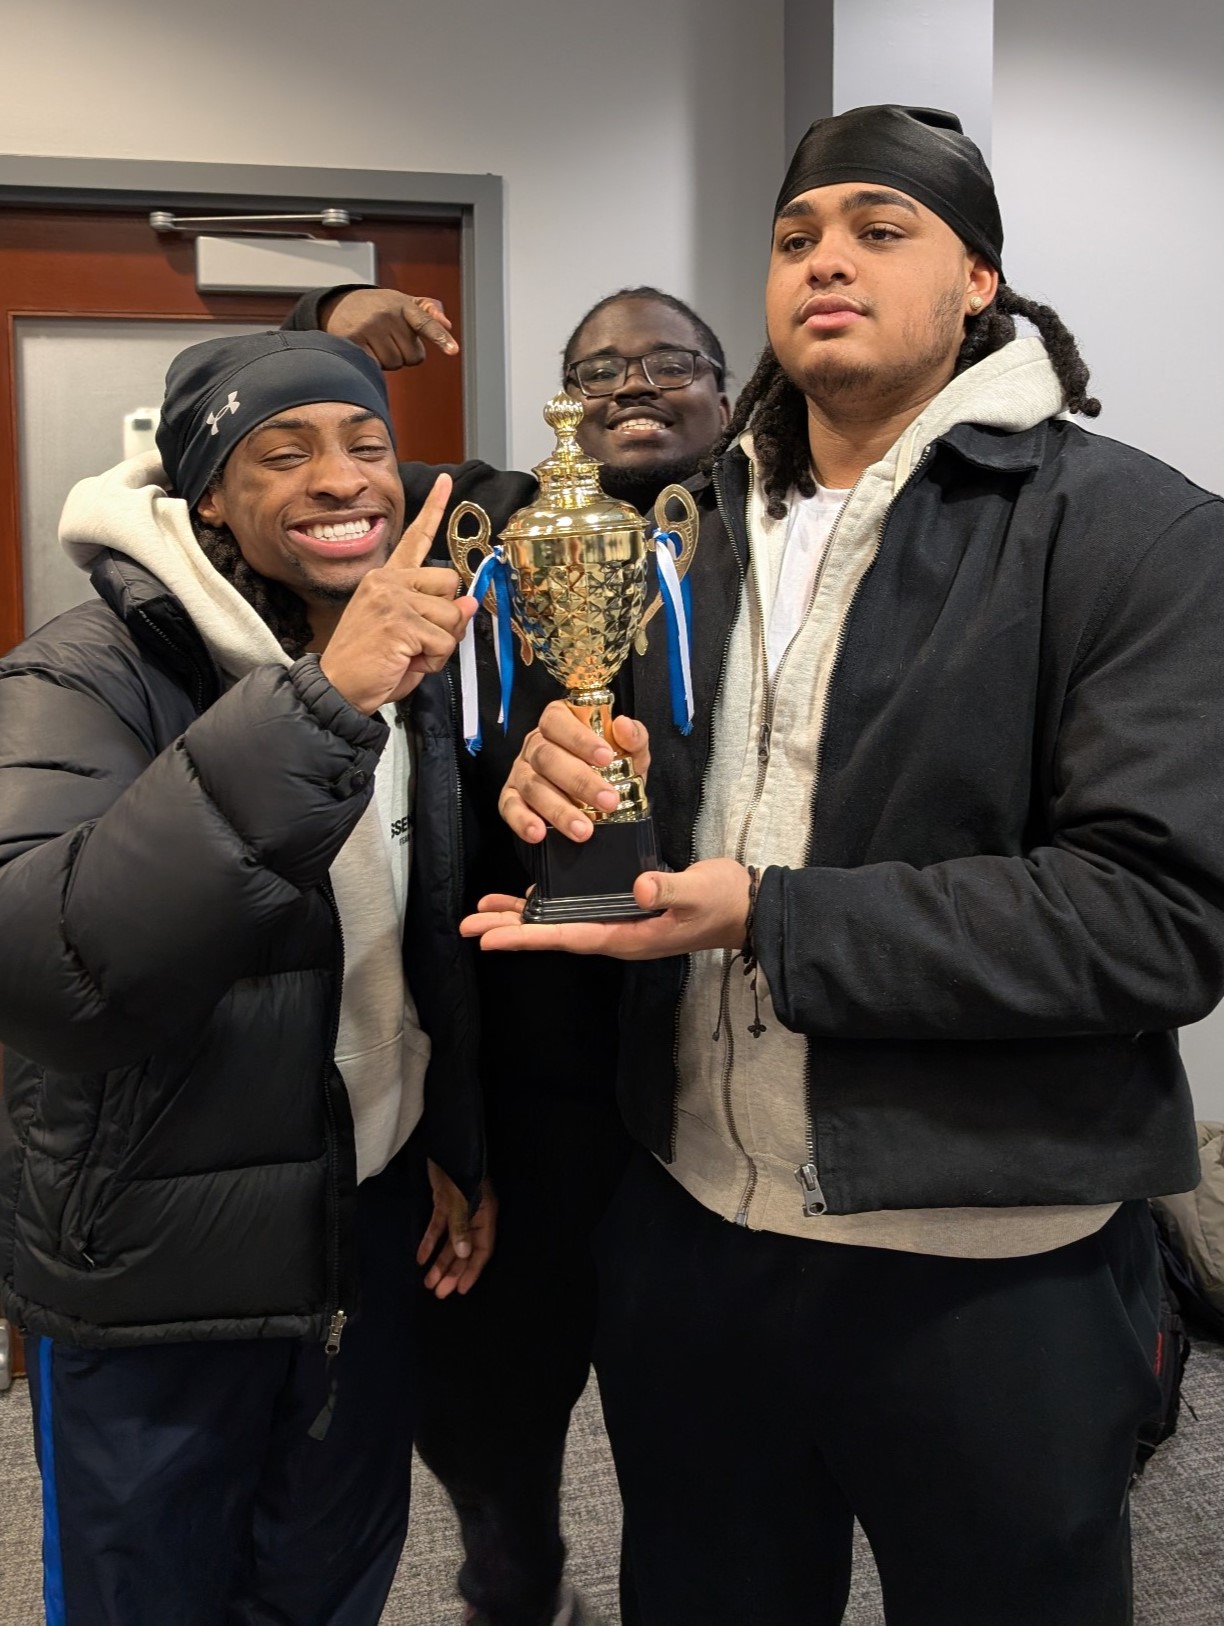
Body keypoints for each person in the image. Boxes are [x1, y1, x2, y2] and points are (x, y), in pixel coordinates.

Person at [463, 105, 1224, 1625]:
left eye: (883, 231)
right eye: (797, 235)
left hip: (987, 1256)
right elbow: (633, 801)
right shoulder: (680, 538)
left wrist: (771, 918)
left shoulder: (1134, 531)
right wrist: (553, 778)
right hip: (693, 1233)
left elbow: (1159, 920)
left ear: (978, 281)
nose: (828, 261)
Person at [0, 329, 493, 1625]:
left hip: (362, 1235)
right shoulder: (82, 668)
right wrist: (323, 699)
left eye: (366, 443)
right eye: (285, 451)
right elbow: (54, 963)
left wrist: (452, 1138)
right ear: (208, 491)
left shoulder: (410, 650)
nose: (344, 479)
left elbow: (408, 940)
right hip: (155, 1270)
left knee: (327, 1587)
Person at [284, 282, 728, 1626]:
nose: (635, 387)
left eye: (670, 365)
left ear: (725, 388)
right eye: (601, 370)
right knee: (488, 1405)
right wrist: (337, 327)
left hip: (699, 1081)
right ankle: (513, 1581)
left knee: (702, 1428)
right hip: (515, 1067)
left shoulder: (774, 538)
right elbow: (317, 478)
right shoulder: (494, 516)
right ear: (559, 403)